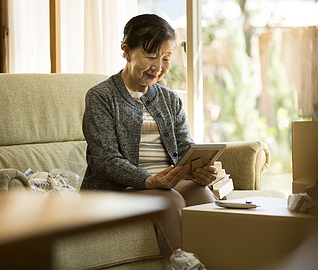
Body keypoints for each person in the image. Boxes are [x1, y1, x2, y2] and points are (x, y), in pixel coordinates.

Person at [81, 14, 218, 260]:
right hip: (119, 188)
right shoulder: (101, 97)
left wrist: (201, 168)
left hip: (164, 184)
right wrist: (149, 180)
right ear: (127, 52)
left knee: (201, 194)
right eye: (151, 56)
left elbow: (185, 147)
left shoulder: (170, 99)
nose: (159, 67)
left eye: (166, 58)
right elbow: (105, 160)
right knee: (170, 200)